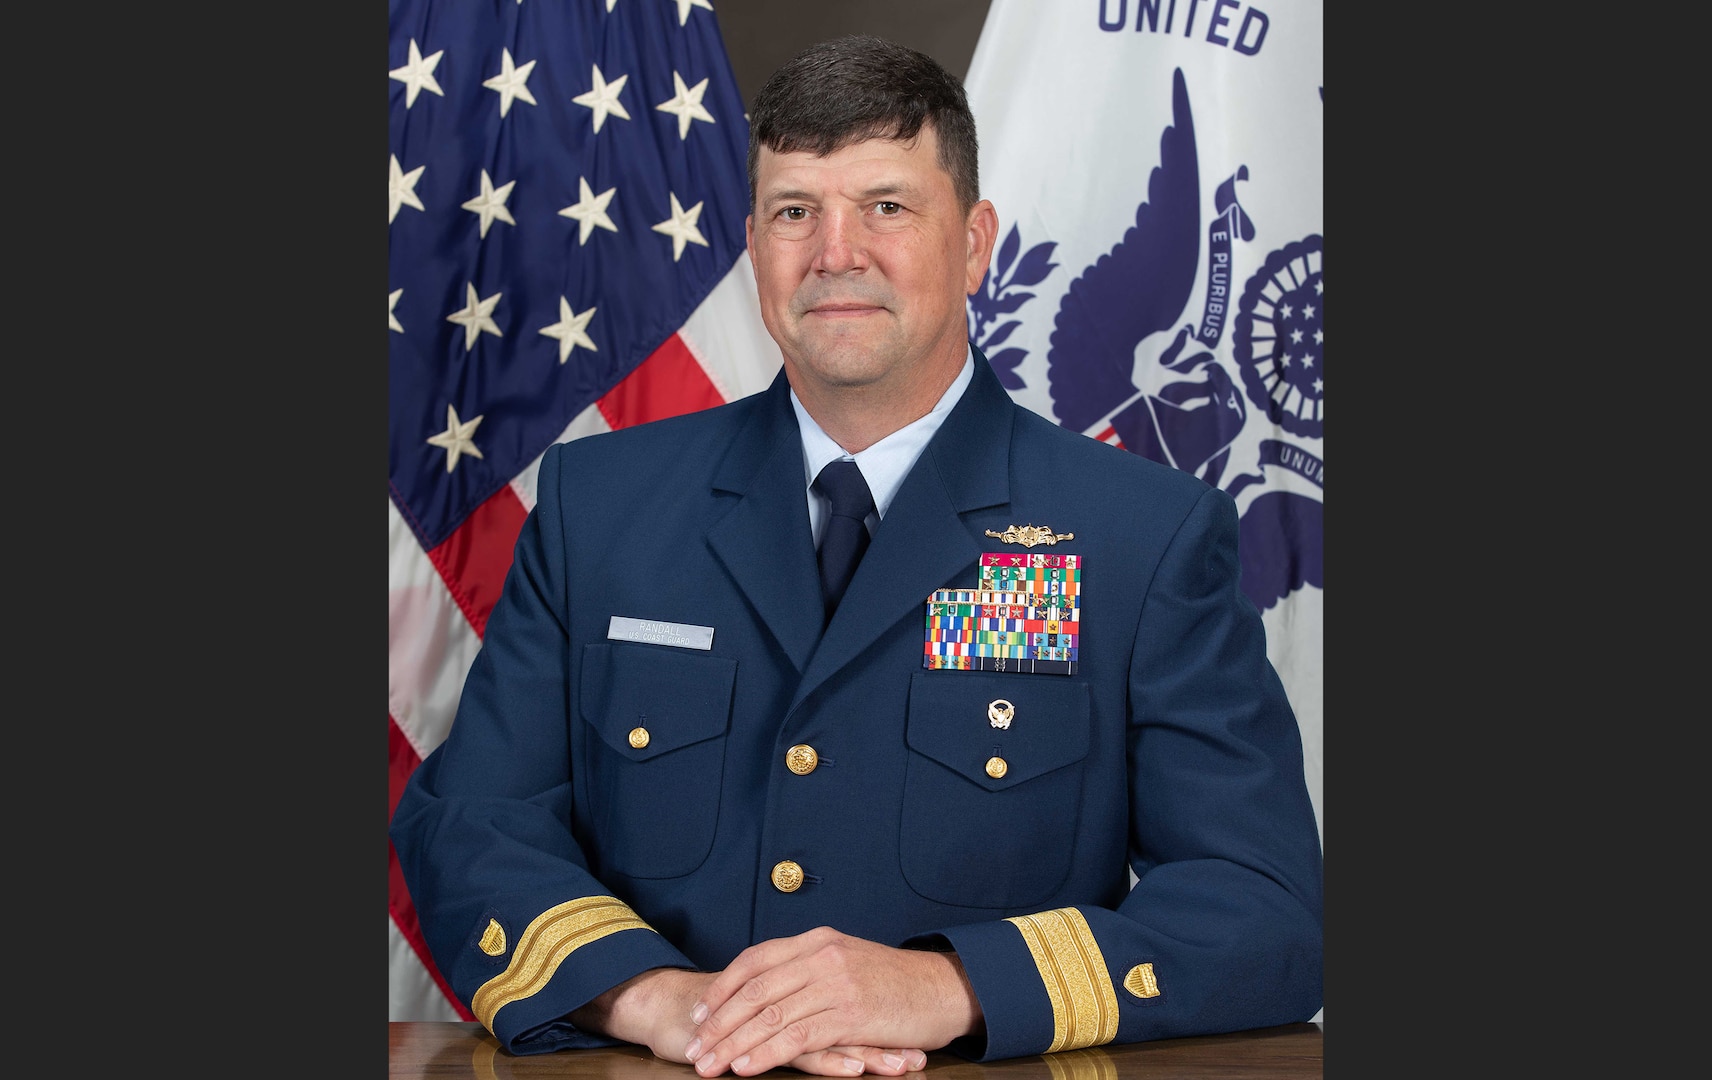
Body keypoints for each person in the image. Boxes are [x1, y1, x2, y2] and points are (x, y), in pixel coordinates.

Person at [389, 33, 1323, 1075]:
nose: (836, 251)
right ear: (753, 242)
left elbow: (1261, 906)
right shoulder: (596, 504)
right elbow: (468, 823)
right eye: (795, 211)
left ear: (972, 245)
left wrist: (951, 986)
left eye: (885, 205)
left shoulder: (1139, 535)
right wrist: (650, 998)